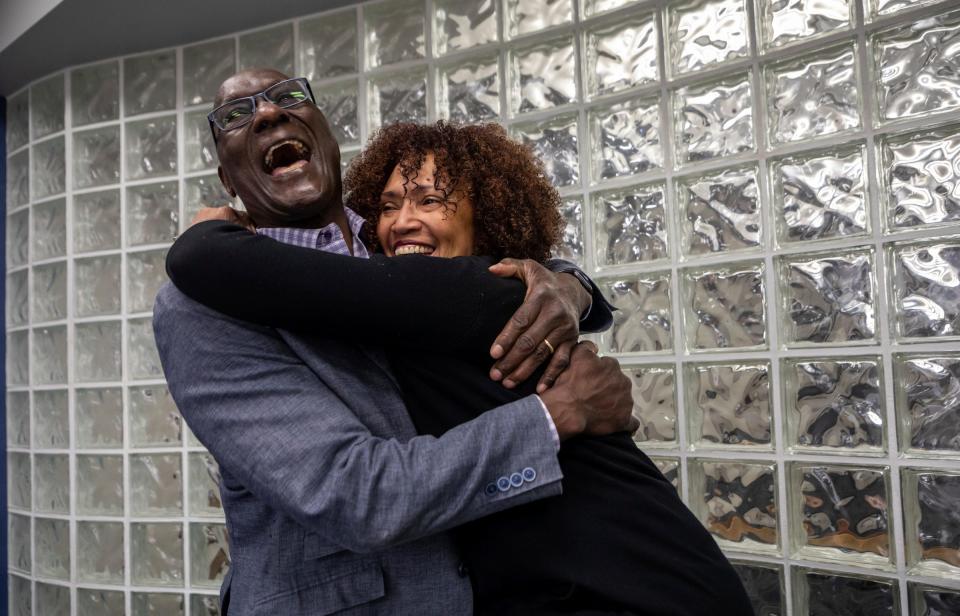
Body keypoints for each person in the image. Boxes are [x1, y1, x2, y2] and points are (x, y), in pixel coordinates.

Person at [167, 119, 754, 614]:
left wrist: (213, 240)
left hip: (639, 584)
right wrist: (573, 292)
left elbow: (213, 262)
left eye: (430, 200)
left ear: (489, 221)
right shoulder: (407, 296)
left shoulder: (483, 296)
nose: (401, 222)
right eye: (390, 205)